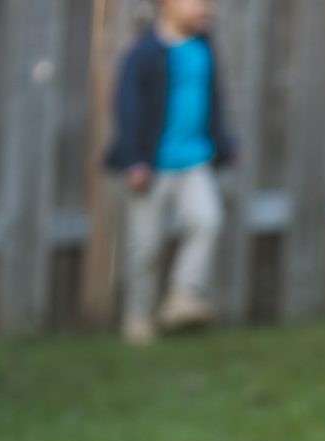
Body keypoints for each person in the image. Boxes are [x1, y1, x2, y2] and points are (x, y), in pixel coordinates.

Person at [105, 0, 236, 344]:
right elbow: (127, 108)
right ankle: (137, 317)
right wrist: (133, 159)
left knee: (207, 220)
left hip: (195, 160)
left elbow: (213, 102)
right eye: (196, 2)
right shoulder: (144, 53)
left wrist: (224, 143)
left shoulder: (203, 46)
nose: (205, 8)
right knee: (144, 247)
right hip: (152, 164)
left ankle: (182, 295)